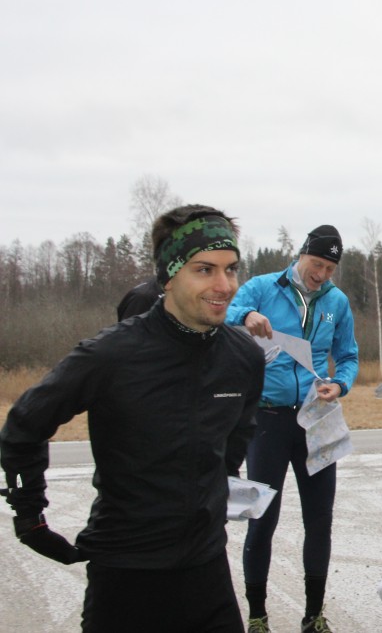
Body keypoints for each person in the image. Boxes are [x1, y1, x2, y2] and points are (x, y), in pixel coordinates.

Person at [0, 204, 265, 633]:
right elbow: (24, 424)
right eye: (204, 269)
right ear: (169, 275)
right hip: (125, 573)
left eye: (231, 269)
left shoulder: (244, 357)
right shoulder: (111, 354)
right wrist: (30, 517)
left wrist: (217, 496)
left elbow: (236, 437)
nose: (224, 285)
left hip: (206, 570)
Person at [226, 225, 359, 633]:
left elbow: (349, 356)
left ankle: (314, 615)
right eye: (317, 264)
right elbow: (225, 317)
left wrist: (339, 384)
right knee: (261, 519)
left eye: (330, 268)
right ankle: (258, 616)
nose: (321, 274)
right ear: (301, 254)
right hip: (266, 421)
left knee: (319, 520)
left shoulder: (337, 301)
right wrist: (246, 316)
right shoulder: (262, 287)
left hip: (317, 421)